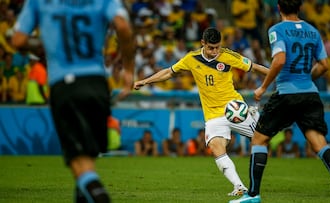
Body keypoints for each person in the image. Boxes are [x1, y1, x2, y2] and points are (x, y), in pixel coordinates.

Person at [229, 1, 330, 202]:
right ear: (299, 7)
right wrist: (306, 79)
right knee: (319, 143)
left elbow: (279, 59)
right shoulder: (313, 31)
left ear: (279, 8)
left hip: (286, 94)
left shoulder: (277, 30)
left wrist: (263, 87)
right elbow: (324, 66)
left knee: (259, 140)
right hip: (310, 95)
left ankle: (253, 195)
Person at [12, 1, 135, 203]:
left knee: (80, 165)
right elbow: (122, 26)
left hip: (65, 85)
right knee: (87, 162)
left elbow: (18, 41)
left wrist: (43, 44)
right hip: (97, 84)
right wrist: (129, 68)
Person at [134, 27, 269, 196]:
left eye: (217, 47)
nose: (214, 52)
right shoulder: (192, 58)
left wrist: (276, 74)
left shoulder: (228, 56)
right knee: (216, 147)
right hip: (213, 114)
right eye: (211, 48)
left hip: (234, 108)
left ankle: (254, 116)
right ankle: (239, 186)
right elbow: (169, 72)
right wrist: (146, 81)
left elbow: (254, 67)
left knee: (262, 141)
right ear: (203, 43)